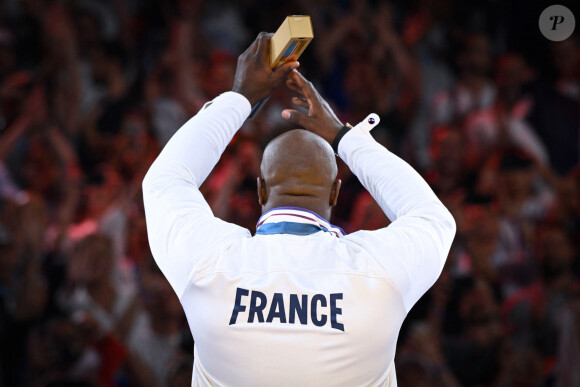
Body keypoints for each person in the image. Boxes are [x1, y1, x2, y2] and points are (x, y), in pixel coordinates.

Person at [142, 32, 456, 386]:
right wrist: (344, 138)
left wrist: (240, 97)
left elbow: (164, 181)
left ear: (261, 189)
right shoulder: (378, 271)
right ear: (336, 193)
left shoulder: (211, 262)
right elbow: (433, 217)